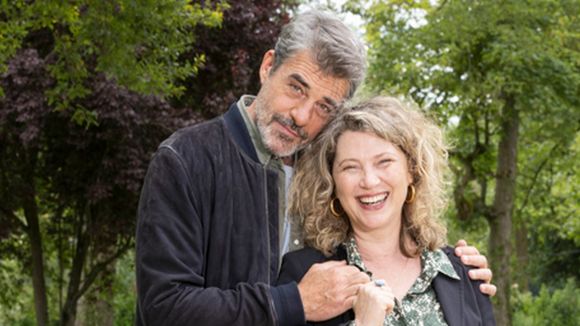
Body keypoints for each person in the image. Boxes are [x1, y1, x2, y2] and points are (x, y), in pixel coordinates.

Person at [136, 10, 495, 325]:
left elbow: (386, 226)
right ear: (267, 66)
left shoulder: (328, 167)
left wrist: (453, 271)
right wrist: (295, 302)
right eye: (296, 87)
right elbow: (163, 309)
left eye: (324, 106)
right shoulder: (186, 159)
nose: (301, 116)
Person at [278, 96, 496, 325]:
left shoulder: (462, 273)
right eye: (350, 167)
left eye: (384, 162)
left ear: (412, 170)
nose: (369, 181)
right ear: (331, 182)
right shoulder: (305, 276)